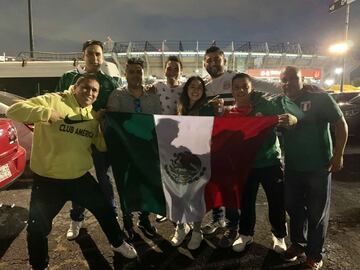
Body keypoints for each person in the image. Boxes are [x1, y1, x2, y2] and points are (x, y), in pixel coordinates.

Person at [6, 74, 137, 270]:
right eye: (85, 87)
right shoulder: (53, 100)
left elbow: (100, 146)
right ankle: (39, 264)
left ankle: (118, 243)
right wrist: (47, 114)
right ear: (75, 87)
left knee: (106, 211)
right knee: (37, 228)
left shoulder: (91, 118)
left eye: (94, 91)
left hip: (79, 178)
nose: (90, 93)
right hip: (48, 181)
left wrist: (101, 126)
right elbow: (14, 110)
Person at [202, 46, 283, 235]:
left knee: (235, 190)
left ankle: (234, 225)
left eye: (216, 59)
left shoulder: (237, 78)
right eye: (209, 60)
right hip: (220, 144)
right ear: (204, 63)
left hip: (243, 148)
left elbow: (271, 88)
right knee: (219, 183)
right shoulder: (205, 87)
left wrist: (298, 87)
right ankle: (218, 219)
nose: (213, 63)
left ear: (225, 61)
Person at [278, 66, 348, 270]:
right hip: (293, 167)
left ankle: (314, 255)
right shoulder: (281, 101)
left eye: (292, 78)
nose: (288, 83)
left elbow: (341, 123)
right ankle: (298, 244)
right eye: (284, 80)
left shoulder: (319, 98)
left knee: (316, 213)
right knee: (293, 208)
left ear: (301, 79)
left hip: (319, 166)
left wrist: (338, 154)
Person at [215, 73, 294, 252]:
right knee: (246, 202)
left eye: (245, 86)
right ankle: (245, 234)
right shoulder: (229, 114)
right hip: (245, 166)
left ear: (251, 88)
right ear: (232, 91)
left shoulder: (266, 105)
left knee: (276, 201)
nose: (241, 90)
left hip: (270, 162)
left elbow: (287, 110)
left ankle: (279, 235)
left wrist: (292, 118)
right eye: (237, 87)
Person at [55, 40, 119, 240]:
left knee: (104, 179)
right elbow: (58, 102)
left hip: (100, 140)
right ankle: (77, 218)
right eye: (91, 53)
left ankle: (111, 215)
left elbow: (118, 108)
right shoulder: (69, 78)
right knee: (78, 178)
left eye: (99, 54)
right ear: (83, 55)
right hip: (75, 139)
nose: (95, 58)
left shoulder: (110, 82)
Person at [107, 57, 161, 240]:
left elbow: (158, 122)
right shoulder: (117, 95)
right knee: (124, 185)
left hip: (146, 150)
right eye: (132, 71)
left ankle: (144, 220)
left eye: (139, 71)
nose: (136, 75)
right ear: (125, 74)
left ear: (143, 73)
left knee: (146, 183)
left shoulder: (153, 97)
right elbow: (113, 123)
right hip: (124, 152)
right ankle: (127, 221)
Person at [170, 76, 220, 250]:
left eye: (200, 87)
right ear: (186, 89)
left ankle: (197, 231)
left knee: (196, 196)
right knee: (179, 194)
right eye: (192, 86)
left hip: (199, 160)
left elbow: (214, 132)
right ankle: (182, 226)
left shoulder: (206, 108)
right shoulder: (180, 107)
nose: (196, 90)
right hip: (180, 158)